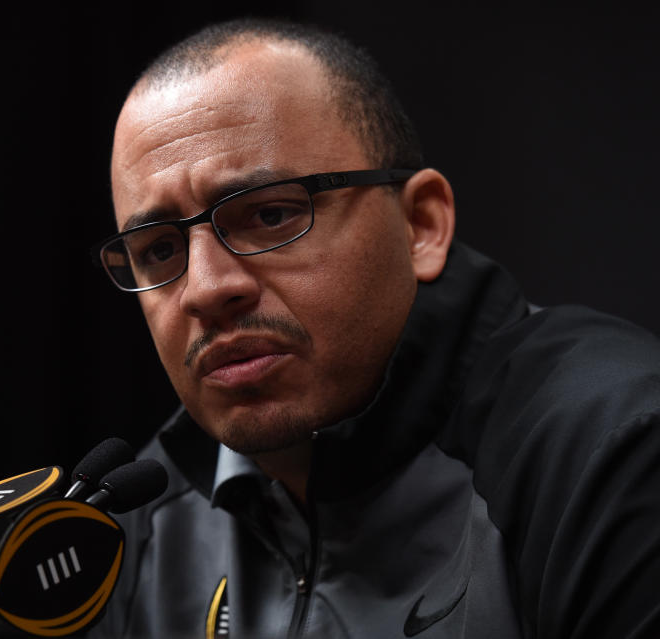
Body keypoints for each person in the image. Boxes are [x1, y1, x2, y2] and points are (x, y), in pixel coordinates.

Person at [87, 17, 660, 639]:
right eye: (161, 251)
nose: (205, 288)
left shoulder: (609, 448)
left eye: (271, 214)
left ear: (420, 225)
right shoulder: (145, 521)